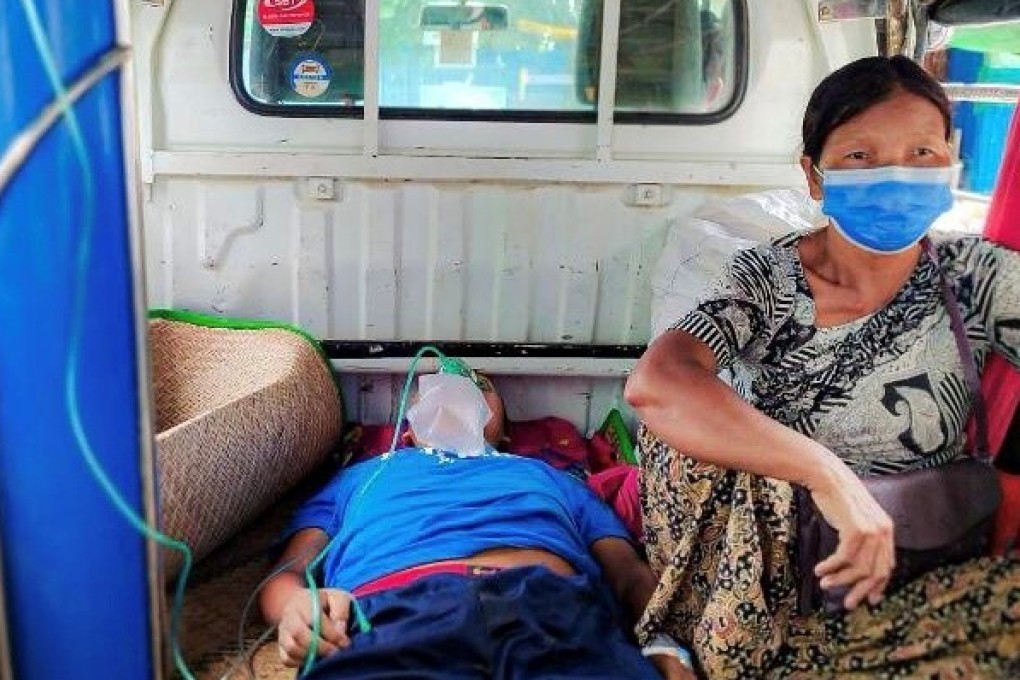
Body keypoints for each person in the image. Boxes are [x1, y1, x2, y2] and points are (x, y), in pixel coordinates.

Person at [625, 55, 1020, 679]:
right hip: (775, 574)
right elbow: (658, 381)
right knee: (685, 435)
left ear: (951, 161)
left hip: (920, 560)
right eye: (861, 156)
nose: (896, 174)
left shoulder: (976, 275)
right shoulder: (771, 279)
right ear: (815, 175)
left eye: (921, 152)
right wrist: (827, 476)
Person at [259, 366, 693, 679]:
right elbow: (287, 573)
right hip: (390, 613)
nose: (458, 387)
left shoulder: (550, 476)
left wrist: (665, 646)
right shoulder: (365, 475)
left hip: (552, 607)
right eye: (437, 383)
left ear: (502, 429)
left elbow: (627, 572)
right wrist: (297, 608)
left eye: (479, 386)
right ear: (409, 429)